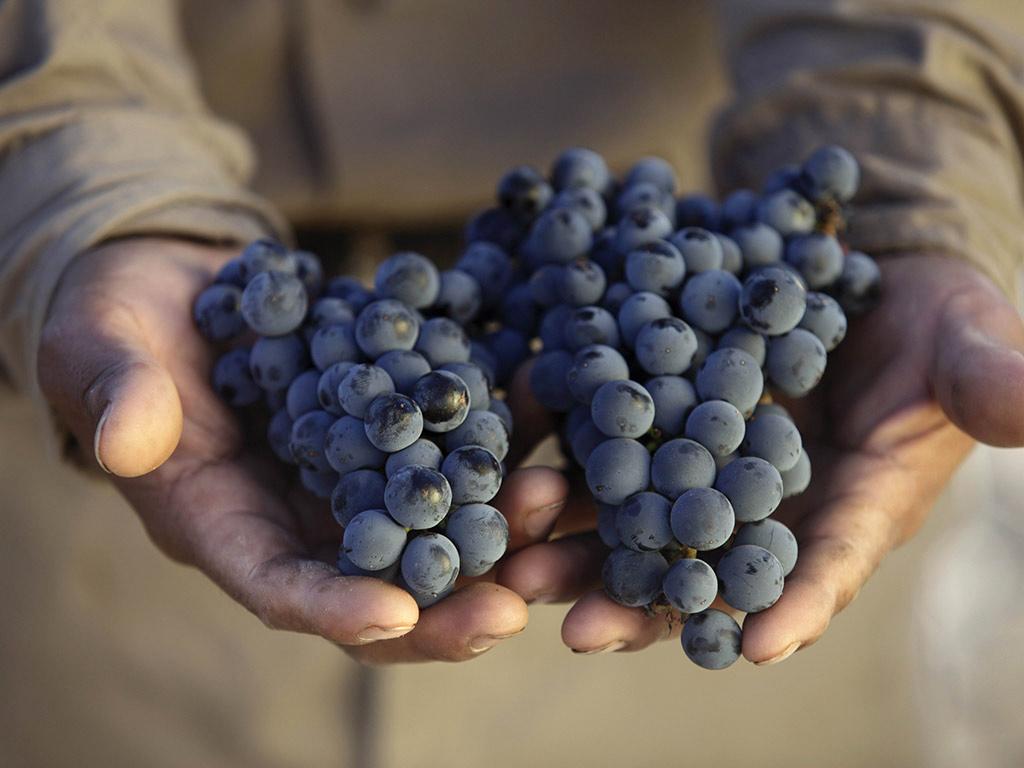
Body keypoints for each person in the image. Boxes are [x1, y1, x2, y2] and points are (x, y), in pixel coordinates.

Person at [2, 0, 1023, 764]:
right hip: (123, 490)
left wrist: (908, 174)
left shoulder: (727, 352)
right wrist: (75, 188)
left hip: (740, 369)